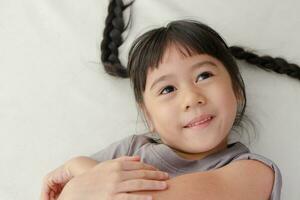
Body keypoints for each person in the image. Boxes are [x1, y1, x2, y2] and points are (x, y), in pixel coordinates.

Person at [40, 1, 300, 199]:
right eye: (167, 90)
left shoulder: (253, 171)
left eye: (204, 75)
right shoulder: (129, 151)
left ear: (237, 90)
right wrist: (82, 181)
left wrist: (80, 174)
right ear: (149, 116)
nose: (191, 98)